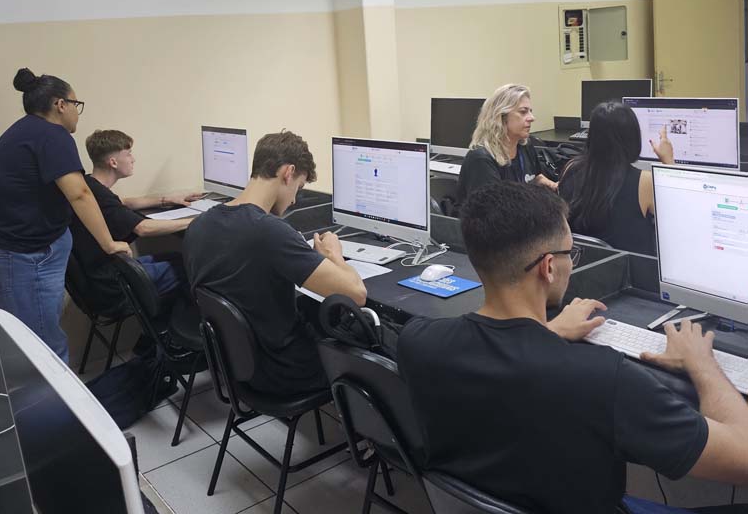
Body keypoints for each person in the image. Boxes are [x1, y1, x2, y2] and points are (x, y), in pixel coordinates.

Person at [398, 181, 748, 514]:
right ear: (549, 267)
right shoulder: (605, 379)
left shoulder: (417, 341)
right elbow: (743, 456)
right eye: (571, 253)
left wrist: (546, 332)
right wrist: (702, 362)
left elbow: (502, 359)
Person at [183, 130, 366, 396]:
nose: (294, 200)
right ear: (287, 173)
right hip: (285, 370)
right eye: (298, 188)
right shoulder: (268, 231)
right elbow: (357, 294)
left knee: (311, 308)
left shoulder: (199, 225)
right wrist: (333, 255)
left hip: (236, 365)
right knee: (369, 330)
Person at [0, 68, 130, 362]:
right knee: (42, 348)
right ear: (60, 105)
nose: (76, 114)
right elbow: (79, 193)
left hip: (21, 253)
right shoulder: (52, 135)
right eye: (75, 104)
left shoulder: (22, 131)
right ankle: (50, 395)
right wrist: (109, 244)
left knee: (34, 339)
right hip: (28, 258)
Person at [69, 129, 202, 317]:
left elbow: (123, 202)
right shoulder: (101, 196)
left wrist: (166, 200)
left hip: (97, 278)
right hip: (111, 287)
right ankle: (180, 330)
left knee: (177, 256)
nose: (133, 159)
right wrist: (197, 220)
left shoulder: (90, 185)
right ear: (113, 162)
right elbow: (143, 228)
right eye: (128, 154)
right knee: (191, 268)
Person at [559, 101, 674, 255]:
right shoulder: (645, 182)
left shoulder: (570, 169)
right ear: (633, 138)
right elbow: (680, 214)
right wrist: (669, 161)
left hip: (581, 265)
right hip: (629, 269)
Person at [457, 83, 557, 204]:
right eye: (523, 112)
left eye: (530, 111)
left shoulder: (525, 145)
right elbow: (492, 210)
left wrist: (555, 186)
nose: (532, 118)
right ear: (501, 116)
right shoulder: (481, 159)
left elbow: (535, 177)